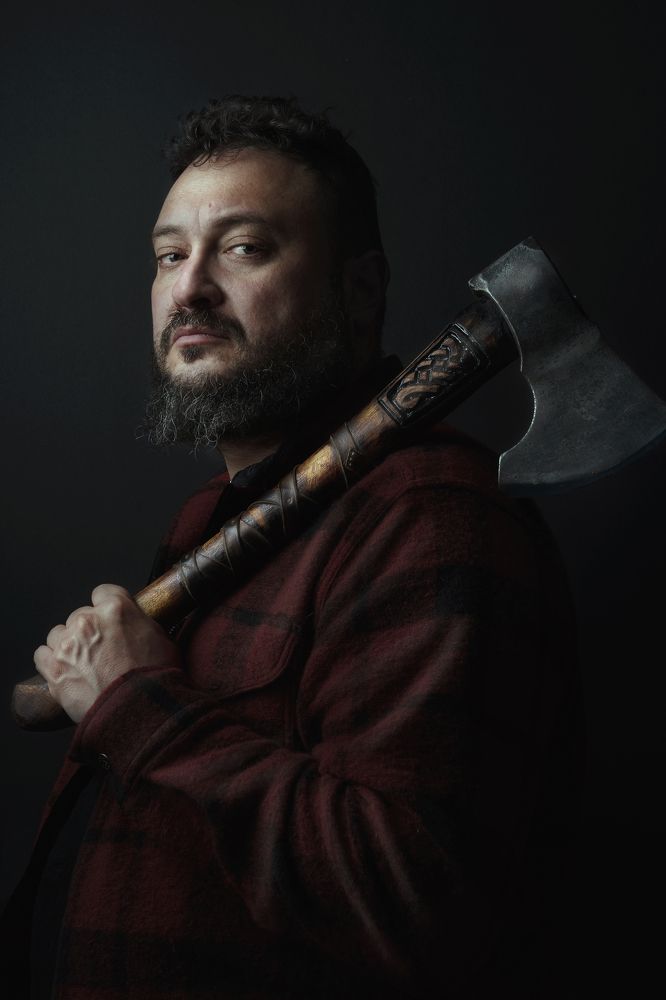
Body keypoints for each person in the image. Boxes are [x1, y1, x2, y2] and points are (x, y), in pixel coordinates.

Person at [2, 96, 582, 998]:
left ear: (360, 290)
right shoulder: (214, 513)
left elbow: (409, 902)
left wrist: (135, 705)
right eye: (169, 255)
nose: (189, 288)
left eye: (244, 248)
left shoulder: (433, 519)